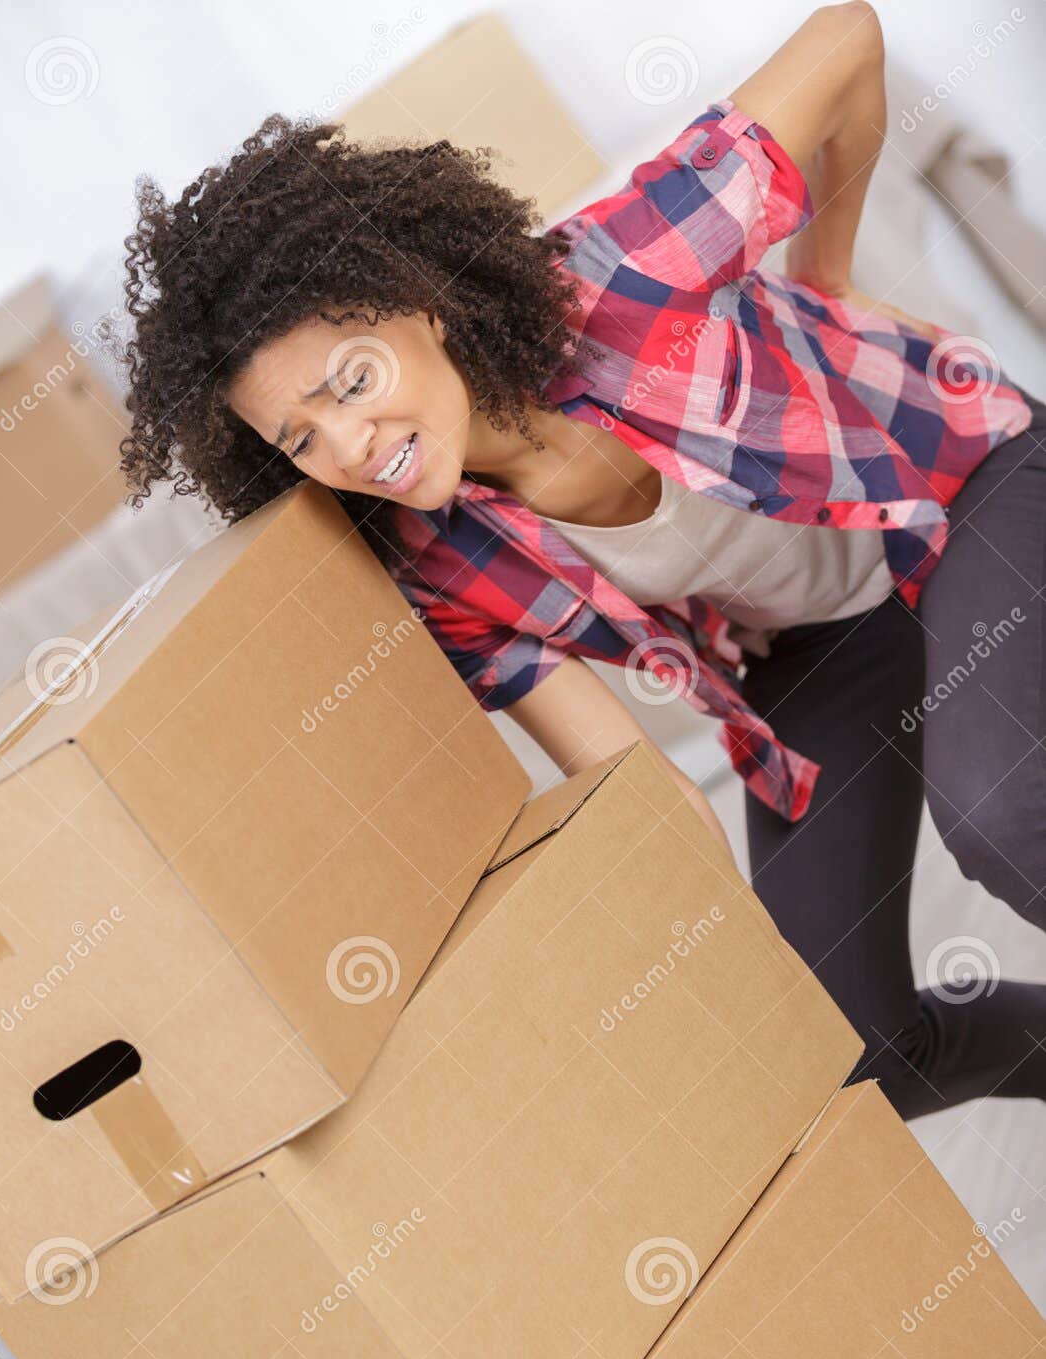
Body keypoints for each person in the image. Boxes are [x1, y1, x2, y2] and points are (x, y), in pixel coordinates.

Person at [118, 2, 1045, 1121]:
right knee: (845, 1055)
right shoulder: (436, 560)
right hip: (822, 636)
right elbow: (635, 788)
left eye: (352, 382)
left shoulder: (626, 271)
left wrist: (827, 273)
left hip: (960, 487)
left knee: (1002, 814)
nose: (351, 447)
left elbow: (846, 37)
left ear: (421, 308)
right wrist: (697, 956)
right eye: (302, 441)